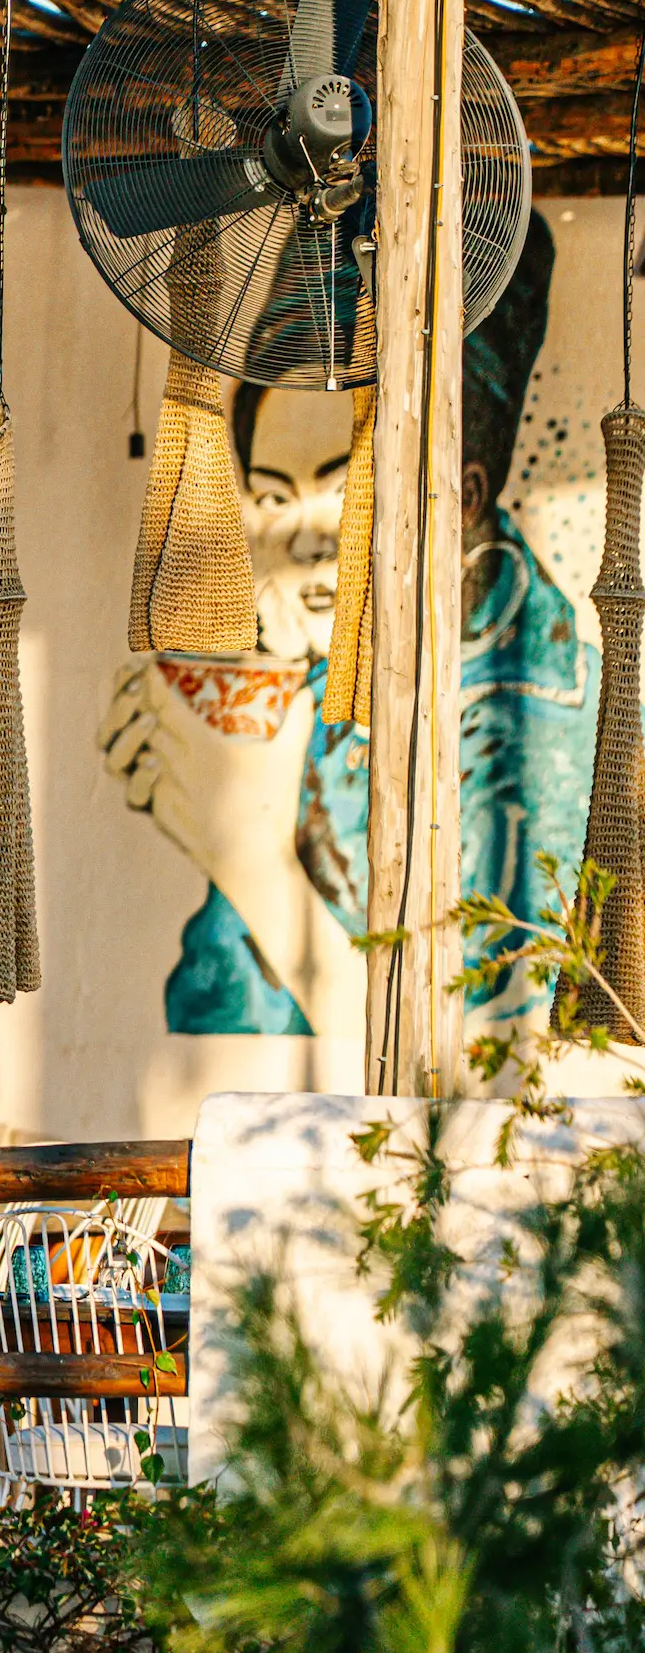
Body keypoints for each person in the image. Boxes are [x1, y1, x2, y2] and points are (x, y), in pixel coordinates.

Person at [100, 215, 593, 1037]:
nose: (304, 540)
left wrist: (242, 842)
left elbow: (471, 1066)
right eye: (273, 497)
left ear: (464, 497)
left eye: (341, 489)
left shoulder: (552, 723)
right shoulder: (307, 681)